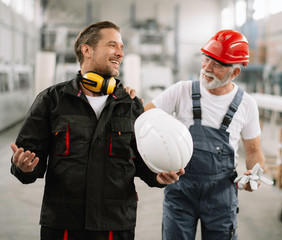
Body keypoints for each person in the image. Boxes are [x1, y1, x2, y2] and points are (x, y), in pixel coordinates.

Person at [10, 21, 184, 240]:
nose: (120, 53)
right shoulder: (51, 100)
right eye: (113, 45)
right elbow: (28, 164)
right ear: (87, 50)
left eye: (122, 47)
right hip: (63, 223)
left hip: (115, 224)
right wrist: (23, 168)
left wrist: (159, 176)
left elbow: (143, 164)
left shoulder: (130, 105)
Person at [145, 30, 265, 240]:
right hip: (181, 190)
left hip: (221, 196)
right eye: (206, 59)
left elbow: (254, 151)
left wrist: (255, 174)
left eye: (216, 65)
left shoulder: (247, 105)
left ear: (234, 73)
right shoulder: (181, 91)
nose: (206, 68)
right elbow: (143, 118)